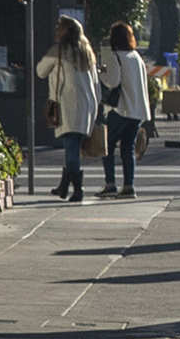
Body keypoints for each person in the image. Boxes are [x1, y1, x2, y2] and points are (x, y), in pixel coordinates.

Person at [34, 12, 103, 201]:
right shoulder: (87, 52)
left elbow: (40, 71)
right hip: (88, 106)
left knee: (71, 148)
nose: (56, 30)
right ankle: (64, 186)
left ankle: (78, 189)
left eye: (59, 27)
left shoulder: (59, 51)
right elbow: (96, 83)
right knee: (72, 146)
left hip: (68, 105)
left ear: (65, 32)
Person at [99, 19, 159, 200]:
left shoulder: (116, 56)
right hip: (137, 111)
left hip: (121, 110)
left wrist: (101, 72)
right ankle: (129, 186)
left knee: (107, 146)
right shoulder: (136, 57)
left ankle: (110, 184)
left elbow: (113, 81)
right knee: (128, 148)